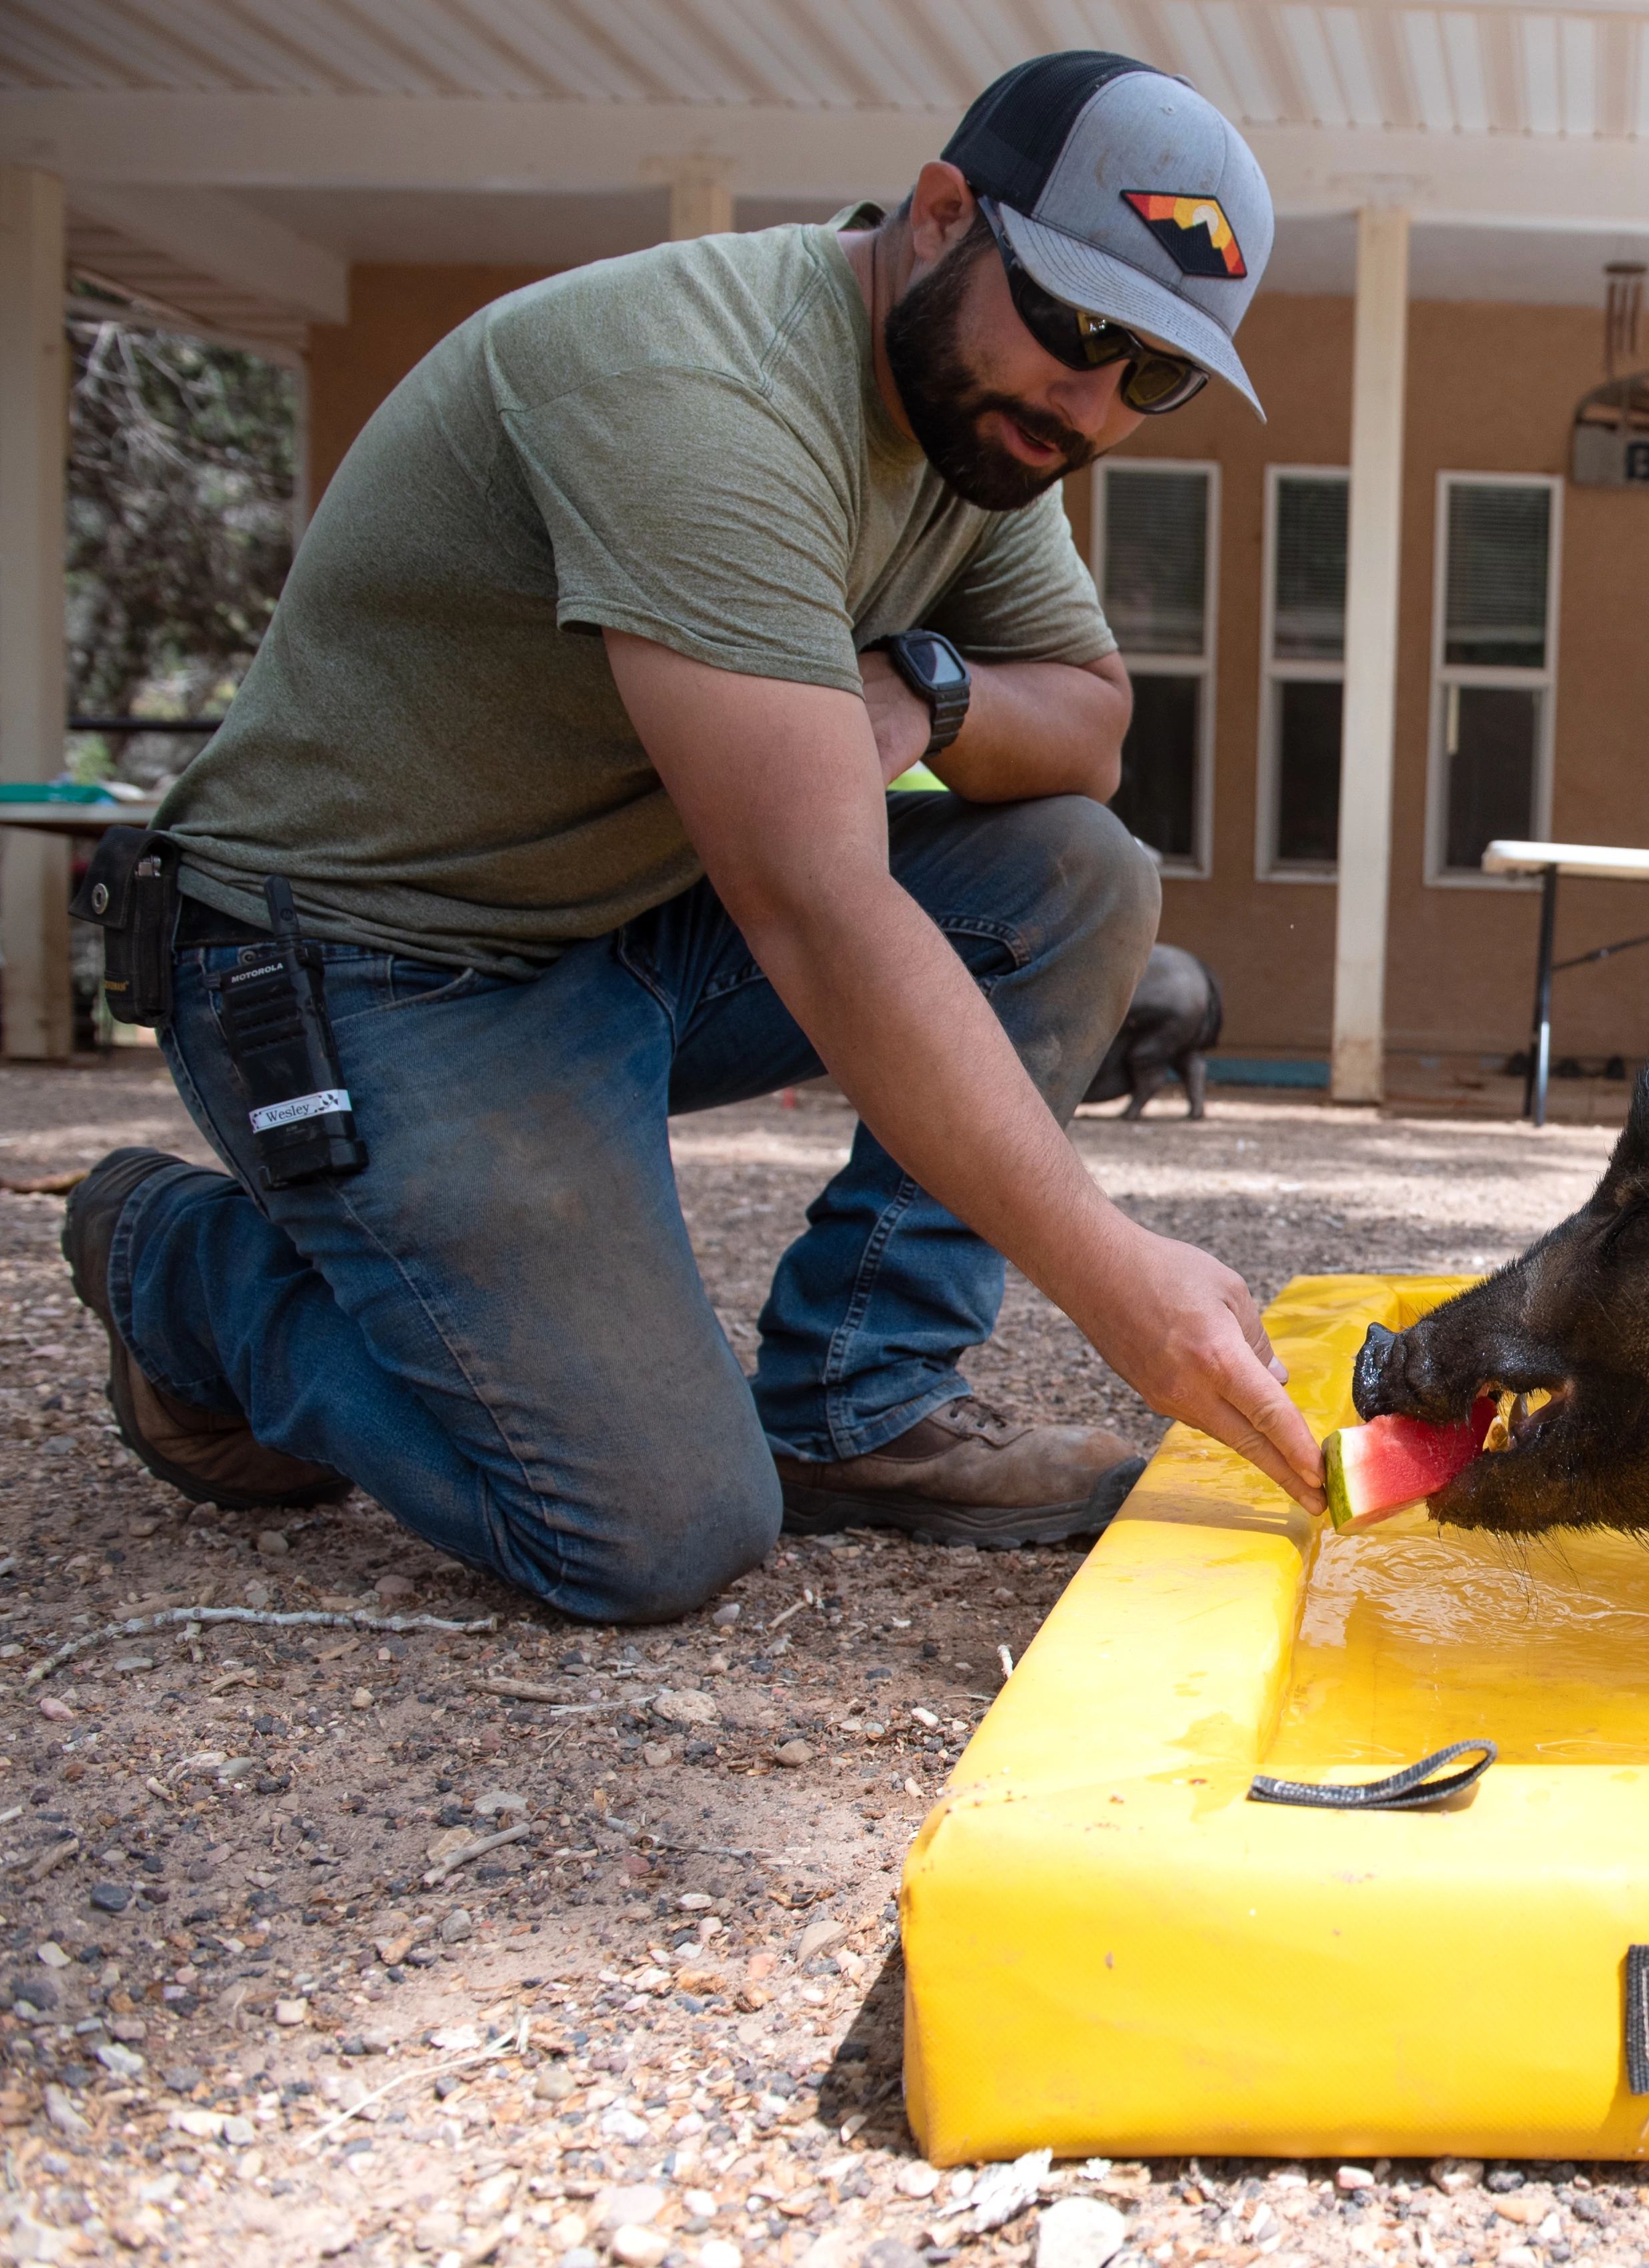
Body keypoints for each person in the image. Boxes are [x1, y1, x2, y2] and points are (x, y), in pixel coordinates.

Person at [65, 54, 1324, 1624]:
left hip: (617, 928)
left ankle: (857, 1409)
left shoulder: (983, 430)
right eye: (1074, 327)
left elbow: (1086, 720)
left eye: (1155, 374)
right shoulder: (697, 392)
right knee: (650, 1531)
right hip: (359, 964)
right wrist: (1109, 1272)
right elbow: (815, 905)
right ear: (941, 217)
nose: (1090, 404)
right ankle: (182, 1261)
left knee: (1077, 869)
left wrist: (924, 689)